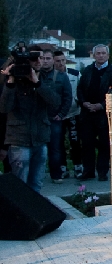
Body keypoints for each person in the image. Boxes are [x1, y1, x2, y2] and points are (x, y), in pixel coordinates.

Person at [0, 48, 61, 192]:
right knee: (20, 184)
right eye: (35, 59)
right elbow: (4, 108)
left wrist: (37, 83)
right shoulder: (12, 81)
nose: (40, 62)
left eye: (41, 58)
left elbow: (55, 102)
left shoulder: (45, 79)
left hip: (40, 137)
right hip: (19, 139)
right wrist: (11, 82)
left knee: (36, 183)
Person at [76, 44, 112, 181]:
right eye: (98, 53)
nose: (101, 55)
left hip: (105, 114)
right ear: (94, 55)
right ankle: (88, 170)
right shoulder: (87, 70)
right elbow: (80, 89)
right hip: (87, 113)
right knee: (86, 143)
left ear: (108, 55)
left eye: (103, 53)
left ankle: (102, 171)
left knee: (104, 143)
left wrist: (101, 106)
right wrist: (84, 102)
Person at [38, 49, 72, 182]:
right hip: (38, 118)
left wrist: (62, 114)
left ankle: (56, 174)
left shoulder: (62, 77)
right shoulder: (34, 75)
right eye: (43, 58)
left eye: (48, 58)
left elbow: (68, 97)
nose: (45, 61)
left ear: (53, 60)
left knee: (55, 147)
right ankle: (39, 174)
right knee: (39, 149)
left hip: (54, 118)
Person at [53, 50, 82, 179]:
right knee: (58, 142)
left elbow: (81, 90)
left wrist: (78, 101)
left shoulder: (75, 74)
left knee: (74, 140)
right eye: (57, 61)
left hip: (73, 113)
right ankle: (62, 167)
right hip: (58, 115)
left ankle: (78, 165)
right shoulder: (51, 76)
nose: (60, 63)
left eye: (63, 60)